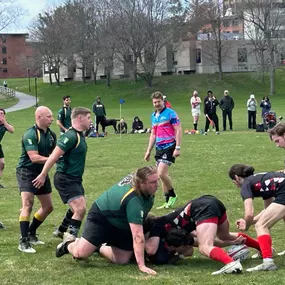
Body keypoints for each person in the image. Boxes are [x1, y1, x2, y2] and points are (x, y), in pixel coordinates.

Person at [55, 166, 158, 276]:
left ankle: (98, 246)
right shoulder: (134, 201)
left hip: (121, 221)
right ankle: (68, 243)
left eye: (157, 180)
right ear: (142, 183)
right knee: (80, 254)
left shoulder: (144, 188)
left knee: (122, 260)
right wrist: (141, 265)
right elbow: (137, 236)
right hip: (101, 218)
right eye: (153, 182)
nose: (157, 185)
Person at [145, 195, 261, 274]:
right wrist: (231, 243)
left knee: (204, 247)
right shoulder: (177, 232)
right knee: (225, 236)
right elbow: (201, 240)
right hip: (212, 202)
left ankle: (231, 264)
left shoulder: (159, 225)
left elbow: (151, 249)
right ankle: (264, 248)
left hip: (202, 207)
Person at [33, 107, 92, 240]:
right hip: (66, 178)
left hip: (75, 179)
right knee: (80, 209)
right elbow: (54, 157)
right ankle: (70, 240)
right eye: (88, 118)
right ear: (80, 118)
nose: (90, 121)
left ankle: (61, 230)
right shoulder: (70, 136)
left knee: (76, 207)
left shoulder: (79, 134)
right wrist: (43, 175)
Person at [229, 163, 285, 272]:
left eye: (234, 182)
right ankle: (266, 254)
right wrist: (253, 220)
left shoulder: (246, 185)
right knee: (271, 220)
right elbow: (269, 209)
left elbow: (249, 213)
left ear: (236, 177)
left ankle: (268, 262)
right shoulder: (260, 180)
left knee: (261, 226)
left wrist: (246, 225)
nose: (235, 184)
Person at [16, 106, 56, 253]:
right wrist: (54, 159)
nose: (52, 119)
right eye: (49, 116)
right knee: (27, 204)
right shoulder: (30, 134)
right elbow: (34, 157)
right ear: (39, 117)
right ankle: (23, 241)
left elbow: (52, 155)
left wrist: (45, 171)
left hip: (42, 173)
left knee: (48, 207)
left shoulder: (51, 135)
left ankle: (31, 233)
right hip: (26, 172)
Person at [144, 91, 182, 209]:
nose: (156, 104)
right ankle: (167, 201)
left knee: (160, 173)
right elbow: (153, 134)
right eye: (154, 102)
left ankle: (173, 194)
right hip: (159, 148)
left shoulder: (171, 113)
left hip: (169, 146)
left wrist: (178, 147)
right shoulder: (153, 116)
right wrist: (148, 150)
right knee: (162, 175)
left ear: (163, 101)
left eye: (158, 102)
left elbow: (178, 130)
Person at [0, 108, 14, 188]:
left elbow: (12, 130)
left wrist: (4, 121)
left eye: (2, 113)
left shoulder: (4, 125)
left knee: (1, 164)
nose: (0, 115)